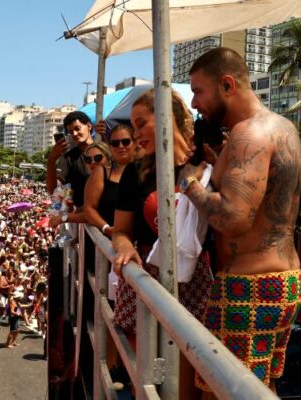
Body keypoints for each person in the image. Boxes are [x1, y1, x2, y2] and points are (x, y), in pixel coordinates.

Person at [178, 47, 301, 395]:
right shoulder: (283, 128)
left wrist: (189, 184)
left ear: (228, 85)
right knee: (260, 388)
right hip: (285, 282)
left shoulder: (249, 135)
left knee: (221, 389)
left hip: (249, 288)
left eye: (199, 91)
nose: (193, 103)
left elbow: (233, 217)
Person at [110, 88, 213, 399]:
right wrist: (125, 246)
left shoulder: (207, 163)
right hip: (148, 284)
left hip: (196, 286)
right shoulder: (136, 172)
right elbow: (120, 231)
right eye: (133, 125)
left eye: (142, 124)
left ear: (168, 118)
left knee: (186, 383)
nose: (135, 134)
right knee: (147, 382)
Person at [84, 125, 137, 237]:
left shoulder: (146, 171)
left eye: (126, 142)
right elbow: (89, 208)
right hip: (109, 243)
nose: (120, 146)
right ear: (110, 147)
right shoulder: (101, 172)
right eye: (115, 143)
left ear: (135, 142)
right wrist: (106, 228)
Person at [46, 111, 93, 226]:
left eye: (77, 128)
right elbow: (54, 190)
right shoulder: (68, 158)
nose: (75, 134)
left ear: (89, 126)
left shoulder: (106, 150)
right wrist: (51, 161)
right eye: (71, 132)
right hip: (85, 222)